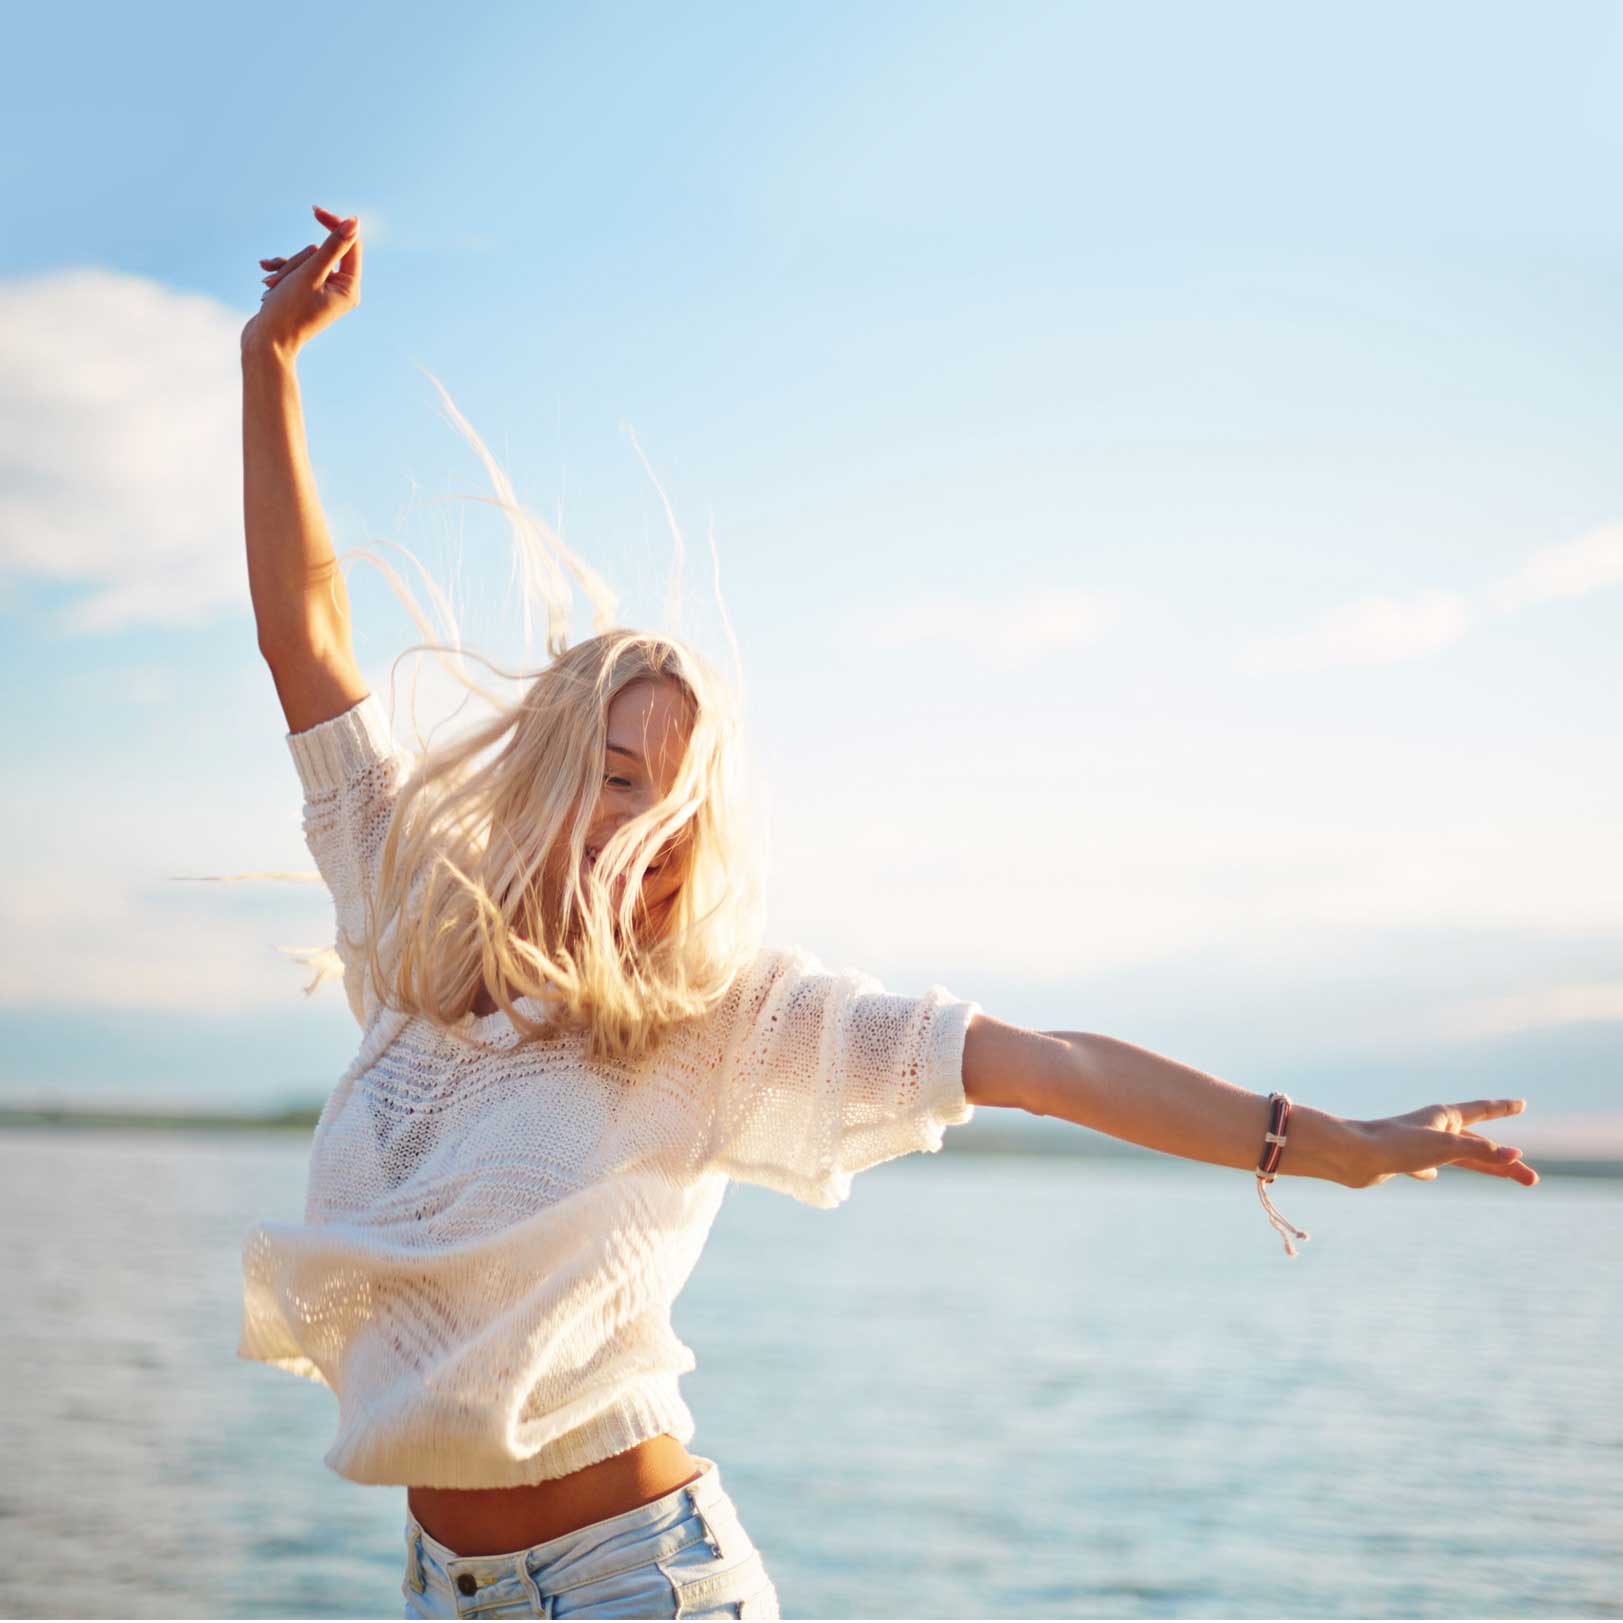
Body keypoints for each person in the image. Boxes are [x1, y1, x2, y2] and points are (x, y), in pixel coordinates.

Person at [236, 206, 1540, 1622]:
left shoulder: (722, 1019)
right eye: (615, 777)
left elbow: (1043, 1064)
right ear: (551, 767)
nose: (641, 831)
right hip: (442, 1590)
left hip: (632, 1584)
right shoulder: (413, 920)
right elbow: (307, 639)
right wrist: (273, 365)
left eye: (675, 808)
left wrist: (1319, 1144)